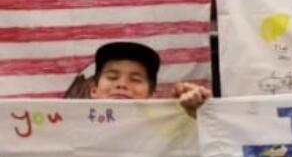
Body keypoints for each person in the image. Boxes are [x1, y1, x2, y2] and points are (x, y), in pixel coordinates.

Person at [66, 41, 209, 117]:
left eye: (135, 79)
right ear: (94, 90)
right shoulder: (71, 124)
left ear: (152, 95)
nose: (121, 84)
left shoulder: (165, 128)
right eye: (112, 77)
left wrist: (198, 112)